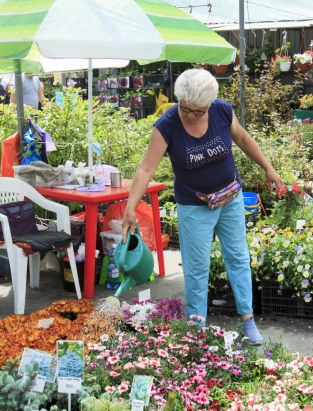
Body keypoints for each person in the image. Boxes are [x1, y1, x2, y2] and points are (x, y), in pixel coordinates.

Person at [121, 69, 283, 345]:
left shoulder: (221, 111)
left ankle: (248, 319)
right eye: (185, 108)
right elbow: (146, 169)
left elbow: (242, 139)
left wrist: (267, 167)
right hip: (194, 206)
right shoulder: (167, 125)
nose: (190, 115)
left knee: (238, 259)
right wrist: (130, 208)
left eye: (197, 111)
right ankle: (196, 330)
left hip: (229, 199)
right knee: (197, 268)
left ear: (209, 104)